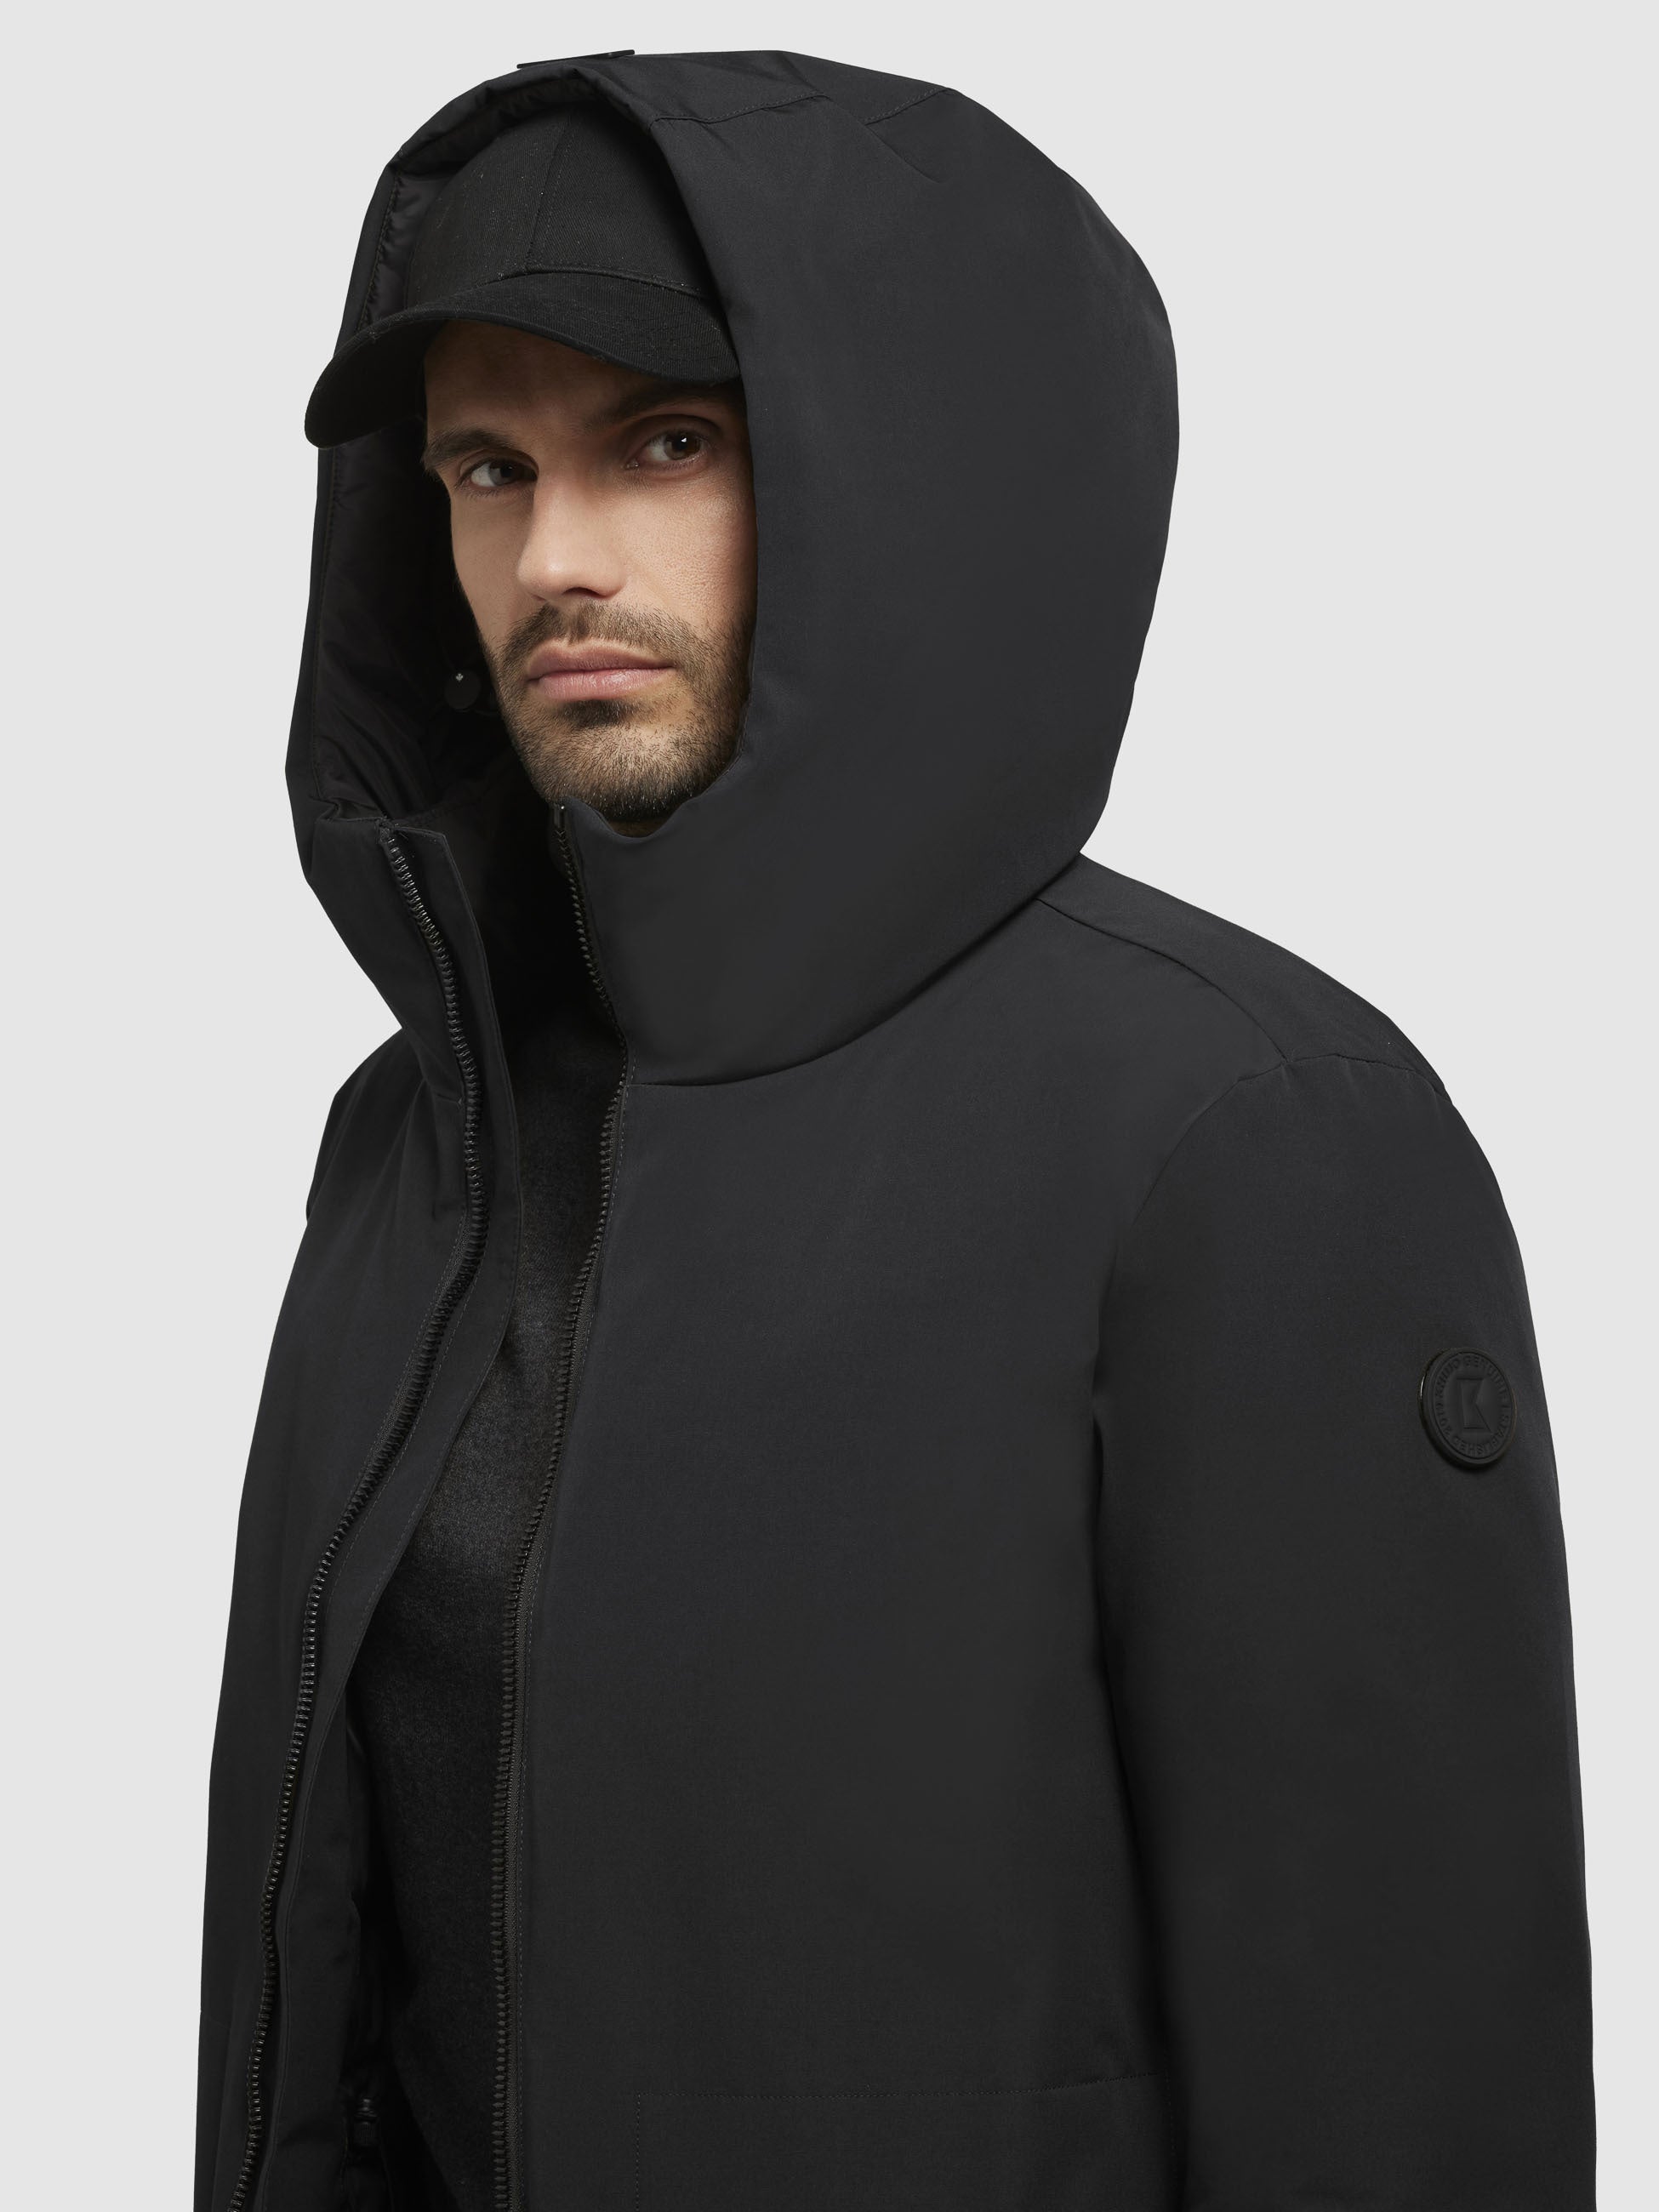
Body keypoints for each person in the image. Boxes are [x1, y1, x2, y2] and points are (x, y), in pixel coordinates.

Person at [197, 51, 1595, 2212]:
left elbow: (1408, 2108)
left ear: (903, 469)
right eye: (487, 466)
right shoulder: (414, 1139)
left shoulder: (1246, 1137)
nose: (556, 557)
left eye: (667, 442)